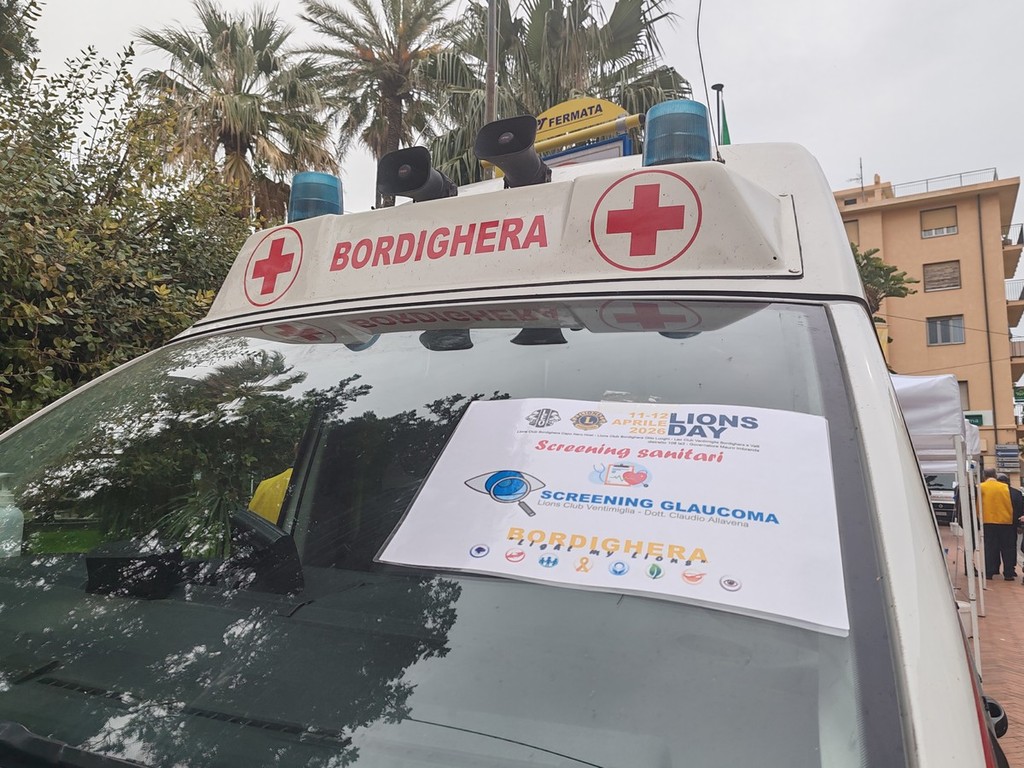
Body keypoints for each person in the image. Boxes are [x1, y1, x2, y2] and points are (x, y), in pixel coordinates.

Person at [980, 468, 1016, 580]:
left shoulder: (981, 487)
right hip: (1005, 521)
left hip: (988, 521)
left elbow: (978, 504)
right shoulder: (1005, 487)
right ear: (995, 475)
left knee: (989, 547)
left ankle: (989, 572)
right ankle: (1008, 573)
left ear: (984, 476)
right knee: (1007, 548)